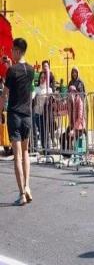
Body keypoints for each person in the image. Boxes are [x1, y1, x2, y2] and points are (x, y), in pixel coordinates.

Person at [0, 38, 35, 205]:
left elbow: (5, 94)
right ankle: (27, 186)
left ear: (18, 51)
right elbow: (27, 89)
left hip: (14, 115)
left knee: (17, 156)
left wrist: (0, 110)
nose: (11, 52)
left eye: (13, 50)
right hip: (27, 115)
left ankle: (21, 194)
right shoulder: (31, 70)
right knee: (26, 152)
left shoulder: (12, 71)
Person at [32, 71, 52, 149]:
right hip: (37, 113)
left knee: (45, 132)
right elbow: (32, 96)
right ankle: (38, 148)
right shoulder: (36, 89)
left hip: (45, 114)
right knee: (39, 132)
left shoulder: (49, 90)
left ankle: (46, 149)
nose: (42, 79)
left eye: (44, 77)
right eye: (41, 77)